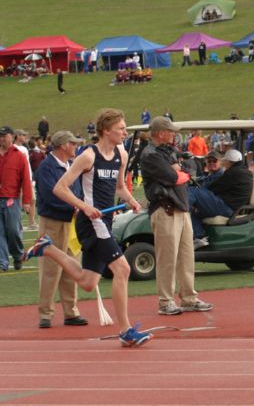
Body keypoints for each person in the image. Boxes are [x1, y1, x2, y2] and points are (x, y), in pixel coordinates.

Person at [22, 110, 151, 347]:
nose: (125, 132)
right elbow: (60, 188)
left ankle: (48, 248)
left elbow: (120, 186)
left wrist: (131, 200)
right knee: (122, 269)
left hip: (105, 220)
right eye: (121, 128)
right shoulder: (89, 156)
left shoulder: (121, 154)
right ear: (106, 130)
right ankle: (125, 331)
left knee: (88, 282)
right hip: (90, 222)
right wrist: (84, 207)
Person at [140, 116, 214, 316]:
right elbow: (174, 177)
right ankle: (165, 301)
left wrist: (182, 171)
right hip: (165, 209)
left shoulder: (168, 151)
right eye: (171, 131)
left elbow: (191, 167)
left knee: (186, 256)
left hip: (180, 208)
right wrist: (180, 172)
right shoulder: (151, 154)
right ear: (161, 133)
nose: (174, 134)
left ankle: (189, 297)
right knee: (167, 258)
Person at [33, 131, 86, 328]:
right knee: (50, 269)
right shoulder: (47, 167)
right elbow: (49, 195)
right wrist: (74, 206)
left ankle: (71, 312)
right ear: (64, 145)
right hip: (52, 223)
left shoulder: (70, 166)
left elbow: (77, 191)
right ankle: (45, 314)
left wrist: (78, 206)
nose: (76, 147)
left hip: (70, 222)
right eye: (73, 144)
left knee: (72, 267)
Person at [0, 125, 33, 271]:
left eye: (4, 135)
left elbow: (25, 179)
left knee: (13, 230)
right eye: (0, 136)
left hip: (11, 199)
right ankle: (3, 262)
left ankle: (18, 255)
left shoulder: (19, 155)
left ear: (12, 137)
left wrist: (26, 201)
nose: (1, 138)